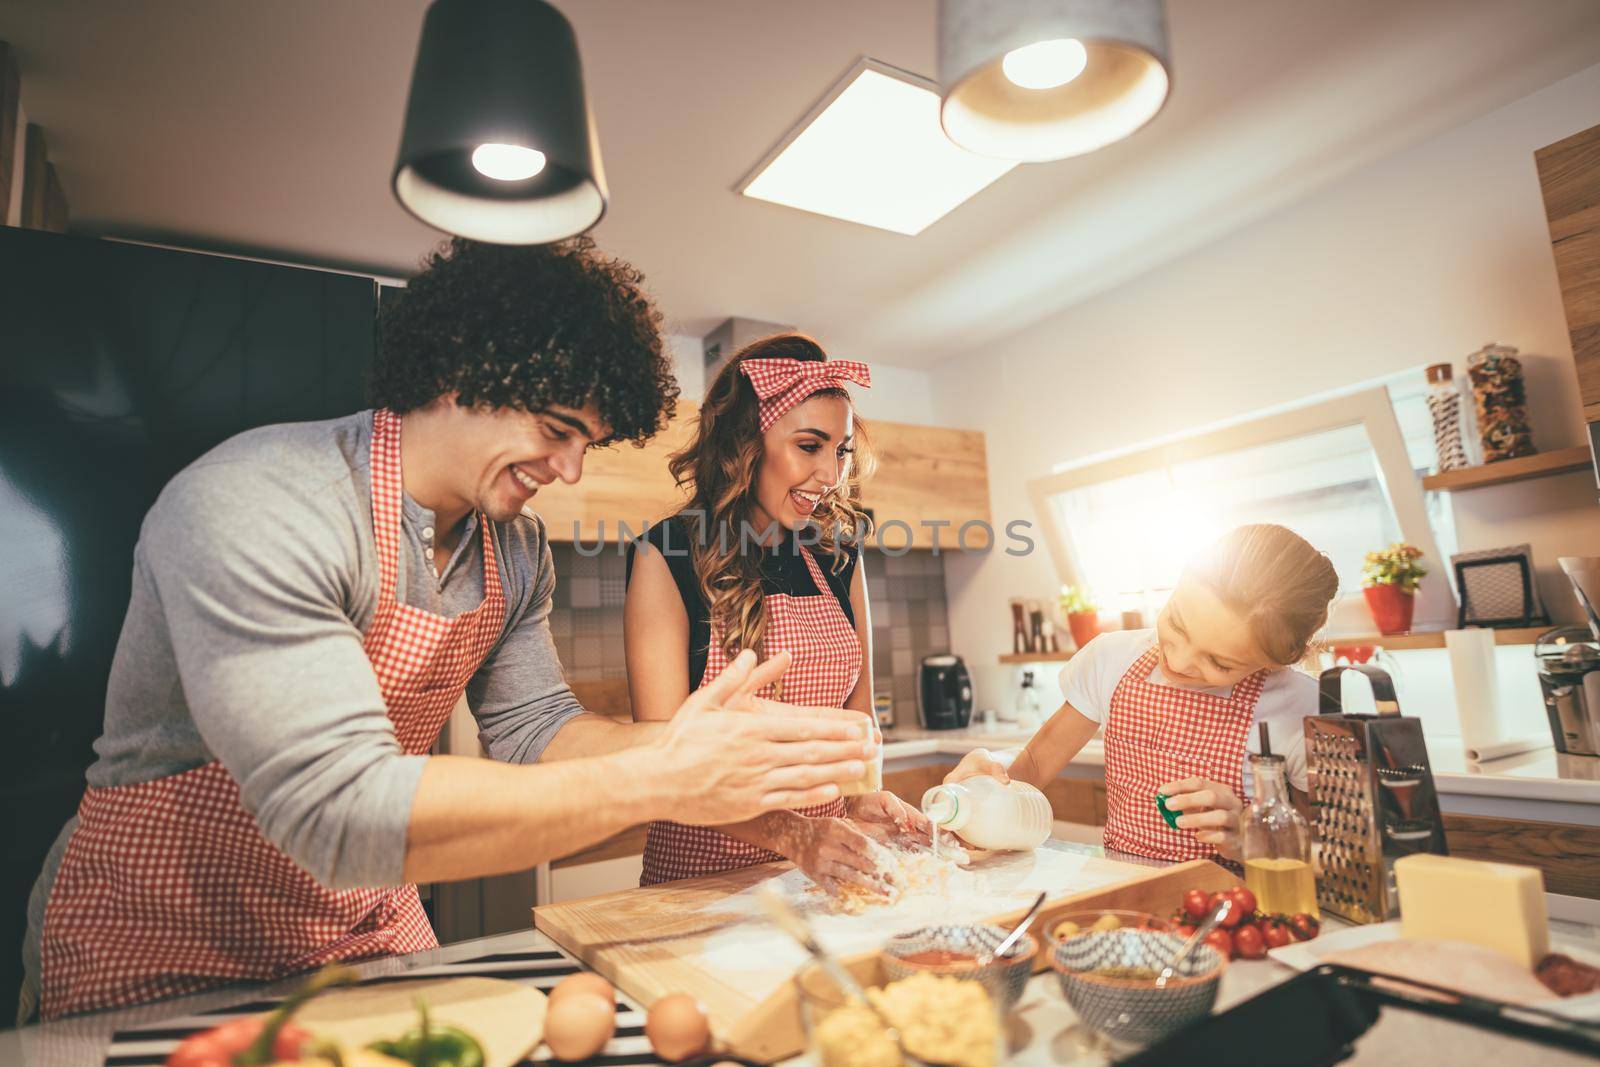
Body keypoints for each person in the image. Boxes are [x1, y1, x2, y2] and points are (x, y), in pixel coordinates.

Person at [23, 240, 874, 1021]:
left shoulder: (514, 550)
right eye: (556, 430)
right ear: (465, 371)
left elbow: (536, 728)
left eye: (590, 440)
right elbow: (338, 810)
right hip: (160, 940)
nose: (571, 469)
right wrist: (661, 779)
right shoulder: (260, 501)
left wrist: (708, 764)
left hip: (360, 926)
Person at [624, 334, 928, 891]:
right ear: (747, 444)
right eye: (809, 446)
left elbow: (859, 721)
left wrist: (864, 796)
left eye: (840, 451)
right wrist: (791, 836)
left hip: (825, 874)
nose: (832, 476)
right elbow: (663, 761)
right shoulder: (664, 555)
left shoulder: (838, 554)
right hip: (699, 882)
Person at [946, 524, 1338, 862]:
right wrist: (990, 769)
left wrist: (1247, 837)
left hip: (1238, 916)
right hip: (1124, 897)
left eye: (1219, 663)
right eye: (1177, 623)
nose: (1179, 661)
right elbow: (1032, 763)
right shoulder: (1111, 659)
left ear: (1280, 660)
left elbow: (1325, 853)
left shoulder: (1304, 709)